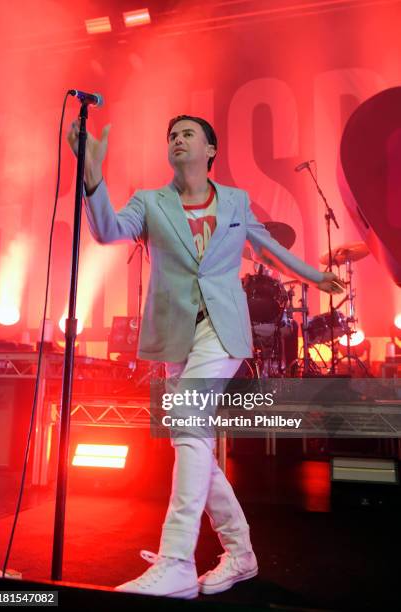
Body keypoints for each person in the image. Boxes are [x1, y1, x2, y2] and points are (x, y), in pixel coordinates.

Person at [67, 114, 344, 599]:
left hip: (222, 332)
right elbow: (108, 230)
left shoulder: (235, 201)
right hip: (176, 335)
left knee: (188, 426)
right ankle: (240, 553)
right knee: (190, 438)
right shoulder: (150, 202)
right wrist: (91, 173)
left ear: (210, 148)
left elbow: (267, 248)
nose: (176, 139)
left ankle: (176, 560)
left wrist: (316, 278)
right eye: (170, 135)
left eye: (186, 134)